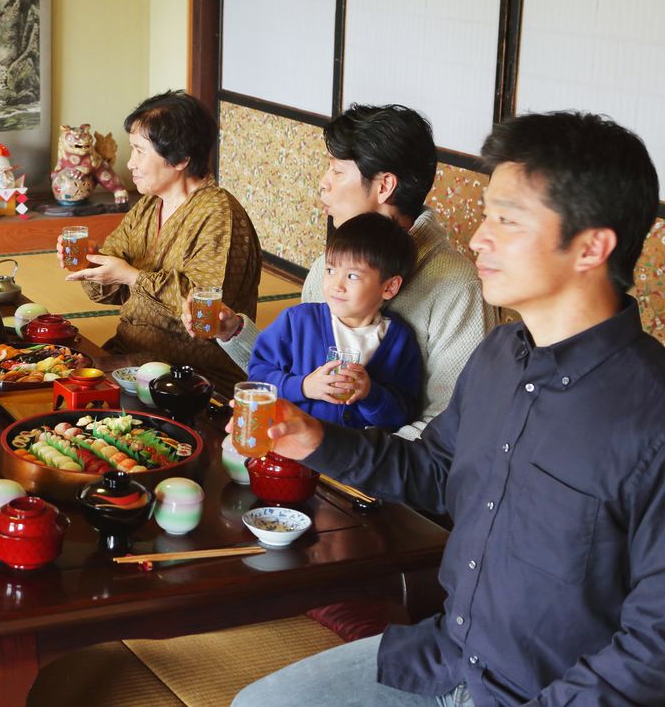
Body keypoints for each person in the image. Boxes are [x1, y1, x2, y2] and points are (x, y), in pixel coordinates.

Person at [233, 112, 665, 706]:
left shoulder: (649, 414)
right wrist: (314, 440)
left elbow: (653, 649)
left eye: (506, 220)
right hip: (445, 658)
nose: (480, 237)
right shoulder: (498, 359)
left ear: (591, 246)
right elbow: (434, 471)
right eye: (487, 214)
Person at [187, 104, 495, 437]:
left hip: (383, 473)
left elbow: (448, 423)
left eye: (336, 170)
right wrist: (232, 332)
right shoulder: (325, 270)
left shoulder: (458, 287)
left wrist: (345, 462)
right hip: (311, 452)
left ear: (384, 186)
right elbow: (292, 376)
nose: (323, 183)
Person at [63, 90, 261, 392]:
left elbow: (204, 308)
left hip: (191, 374)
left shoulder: (220, 216)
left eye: (140, 151)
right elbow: (108, 292)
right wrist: (92, 263)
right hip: (128, 354)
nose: (130, 164)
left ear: (180, 158)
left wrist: (132, 276)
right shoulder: (147, 206)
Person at [247, 213, 421, 431]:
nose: (336, 285)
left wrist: (370, 393)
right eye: (330, 270)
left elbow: (404, 413)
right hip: (290, 450)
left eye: (353, 276)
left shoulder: (399, 341)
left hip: (353, 459)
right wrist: (303, 387)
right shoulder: (297, 322)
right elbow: (257, 377)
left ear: (389, 287)